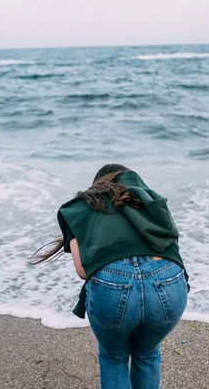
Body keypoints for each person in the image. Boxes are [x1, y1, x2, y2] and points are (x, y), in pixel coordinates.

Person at [28, 164, 189, 389]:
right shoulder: (148, 203)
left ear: (98, 186)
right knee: (147, 354)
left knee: (114, 357)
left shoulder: (81, 209)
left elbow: (84, 271)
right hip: (168, 280)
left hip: (114, 284)